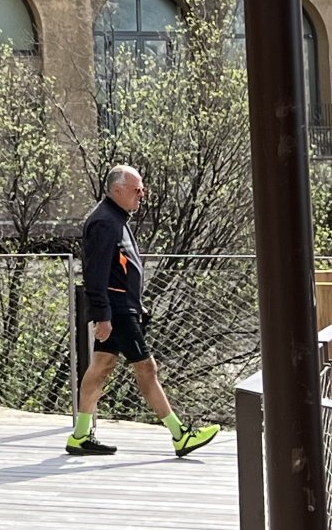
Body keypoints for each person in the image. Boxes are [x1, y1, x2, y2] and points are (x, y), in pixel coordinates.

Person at [65, 164, 221, 459]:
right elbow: (94, 273)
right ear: (117, 190)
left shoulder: (116, 218)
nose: (142, 194)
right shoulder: (105, 222)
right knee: (147, 368)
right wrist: (103, 315)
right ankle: (180, 435)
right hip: (118, 310)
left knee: (101, 367)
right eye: (137, 190)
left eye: (143, 189)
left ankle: (80, 436)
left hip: (123, 307)